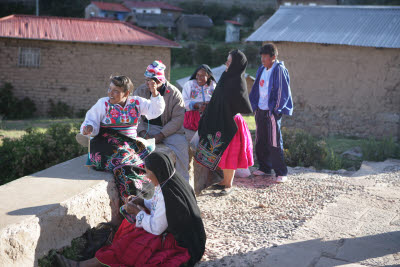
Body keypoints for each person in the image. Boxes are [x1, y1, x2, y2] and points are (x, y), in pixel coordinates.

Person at [55, 152, 206, 267]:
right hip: (181, 233)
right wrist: (142, 201)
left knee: (133, 241)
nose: (146, 176)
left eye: (148, 172)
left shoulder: (169, 196)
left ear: (158, 172)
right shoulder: (170, 181)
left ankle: (82, 265)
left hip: (181, 243)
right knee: (131, 228)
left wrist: (137, 212)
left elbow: (156, 228)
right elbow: (157, 204)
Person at [79, 75, 165, 200]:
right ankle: (132, 200)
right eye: (109, 89)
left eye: (116, 91)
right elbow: (91, 121)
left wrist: (155, 93)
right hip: (105, 145)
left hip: (128, 145)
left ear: (126, 93)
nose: (110, 93)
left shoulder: (136, 102)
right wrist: (89, 128)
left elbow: (155, 111)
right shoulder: (103, 104)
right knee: (124, 159)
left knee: (145, 163)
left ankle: (143, 198)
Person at [195, 49, 254, 195]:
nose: (226, 63)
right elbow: (218, 97)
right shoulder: (225, 76)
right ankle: (223, 181)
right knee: (222, 151)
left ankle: (228, 184)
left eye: (229, 61)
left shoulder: (237, 81)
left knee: (230, 152)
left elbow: (240, 103)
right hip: (221, 119)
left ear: (236, 64)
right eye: (227, 60)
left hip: (231, 123)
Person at [134, 60, 190, 182]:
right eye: (146, 80)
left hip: (170, 130)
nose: (147, 83)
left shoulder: (174, 93)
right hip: (147, 128)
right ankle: (141, 183)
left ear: (159, 80)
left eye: (150, 80)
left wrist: (162, 134)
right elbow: (135, 114)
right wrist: (143, 132)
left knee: (181, 149)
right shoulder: (140, 91)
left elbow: (178, 118)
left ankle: (183, 183)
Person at [248, 43, 293, 183]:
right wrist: (254, 106)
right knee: (261, 140)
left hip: (272, 112)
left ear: (273, 57)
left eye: (265, 57)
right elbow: (256, 89)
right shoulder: (262, 69)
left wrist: (275, 110)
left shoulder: (279, 70)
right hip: (260, 110)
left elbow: (282, 92)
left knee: (274, 141)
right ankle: (265, 167)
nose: (262, 60)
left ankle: (281, 172)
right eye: (261, 57)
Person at [182, 64, 216, 131]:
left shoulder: (213, 85)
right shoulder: (189, 85)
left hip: (211, 116)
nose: (199, 78)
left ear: (208, 76)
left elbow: (218, 100)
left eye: (202, 75)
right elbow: (183, 102)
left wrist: (210, 104)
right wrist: (196, 105)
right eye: (197, 75)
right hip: (192, 118)